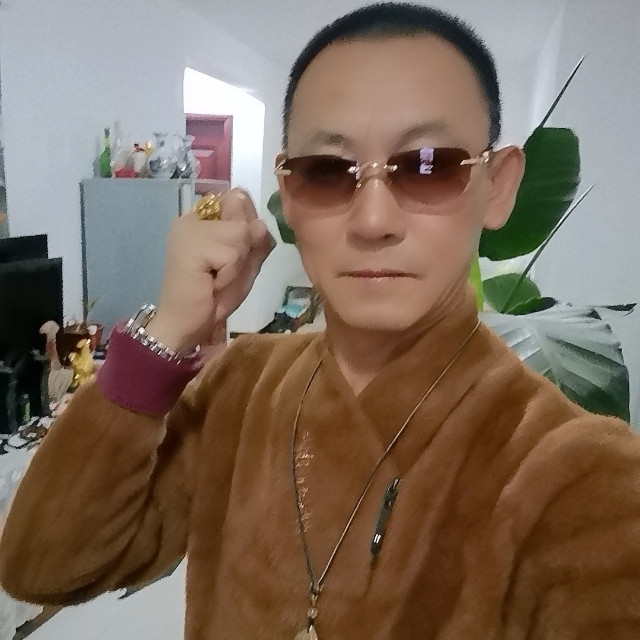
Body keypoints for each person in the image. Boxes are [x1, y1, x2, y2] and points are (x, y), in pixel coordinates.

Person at [2, 3, 640, 639]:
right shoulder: (241, 388)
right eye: (328, 172)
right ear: (288, 191)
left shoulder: (580, 478)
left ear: (497, 187)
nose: (373, 221)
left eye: (428, 165)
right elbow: (44, 567)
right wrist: (167, 332)